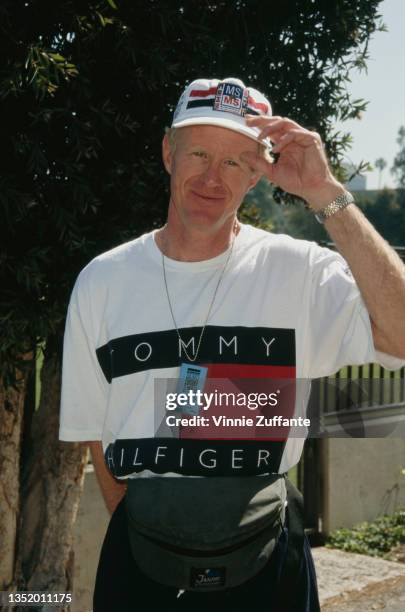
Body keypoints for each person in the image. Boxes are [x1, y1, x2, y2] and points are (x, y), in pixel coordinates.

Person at [59, 77, 405, 611]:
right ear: (168, 153)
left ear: (257, 176)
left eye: (236, 162)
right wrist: (161, 532)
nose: (212, 178)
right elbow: (95, 435)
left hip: (269, 559)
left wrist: (325, 193)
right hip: (141, 559)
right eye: (198, 152)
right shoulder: (102, 281)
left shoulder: (301, 272)